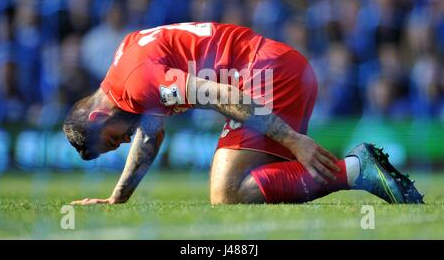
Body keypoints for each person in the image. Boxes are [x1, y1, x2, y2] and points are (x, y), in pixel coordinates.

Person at [63, 22, 423, 205]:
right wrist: (118, 197)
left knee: (227, 192)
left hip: (268, 74)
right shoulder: (124, 72)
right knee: (249, 183)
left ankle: (356, 169)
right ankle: (358, 169)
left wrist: (293, 140)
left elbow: (221, 94)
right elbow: (150, 134)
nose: (126, 139)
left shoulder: (138, 81)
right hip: (279, 67)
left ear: (97, 117)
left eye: (115, 139)